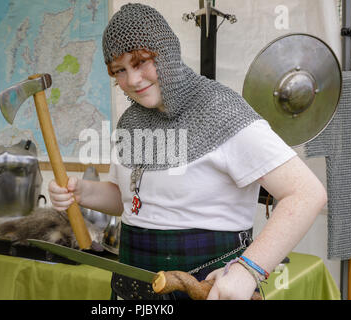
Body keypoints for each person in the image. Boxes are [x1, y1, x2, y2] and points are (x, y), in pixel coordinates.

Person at [48, 3, 327, 300]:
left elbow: (306, 194)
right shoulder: (131, 123)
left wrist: (248, 269)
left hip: (209, 291)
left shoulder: (220, 111)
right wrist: (83, 193)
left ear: (166, 54)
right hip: (133, 294)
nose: (132, 80)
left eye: (141, 62)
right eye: (120, 70)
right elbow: (129, 201)